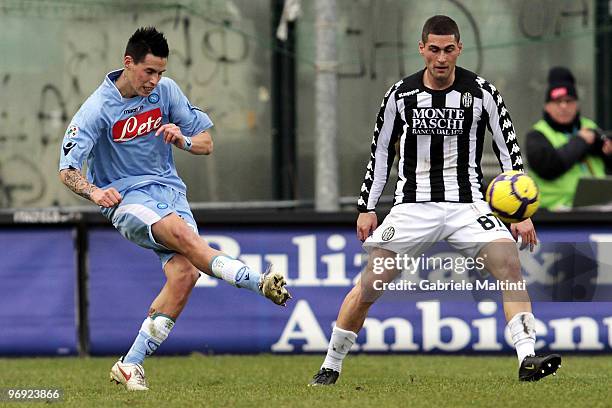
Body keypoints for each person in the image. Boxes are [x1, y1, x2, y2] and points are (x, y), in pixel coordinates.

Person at [308, 15, 561, 386]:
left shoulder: (482, 94)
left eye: (448, 50)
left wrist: (521, 213)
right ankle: (331, 365)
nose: (441, 59)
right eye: (434, 50)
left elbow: (509, 150)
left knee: (509, 265)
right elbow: (380, 154)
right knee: (370, 283)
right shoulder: (400, 95)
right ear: (422, 49)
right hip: (413, 205)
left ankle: (527, 358)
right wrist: (367, 206)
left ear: (459, 49)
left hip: (468, 205)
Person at [59, 27, 291, 391]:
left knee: (185, 275)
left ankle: (130, 363)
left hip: (170, 193)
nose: (155, 80)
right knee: (184, 237)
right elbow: (68, 169)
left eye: (161, 73)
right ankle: (257, 281)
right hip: (128, 201)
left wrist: (182, 138)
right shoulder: (97, 109)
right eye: (148, 71)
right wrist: (94, 192)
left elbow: (206, 143)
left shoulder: (166, 92)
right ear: (128, 62)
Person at [526, 67, 612, 210]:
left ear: (577, 105)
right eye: (557, 102)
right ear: (547, 107)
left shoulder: (589, 126)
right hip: (556, 213)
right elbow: (548, 167)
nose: (564, 106)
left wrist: (607, 152)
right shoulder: (537, 135)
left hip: (601, 206)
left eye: (569, 101)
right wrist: (580, 142)